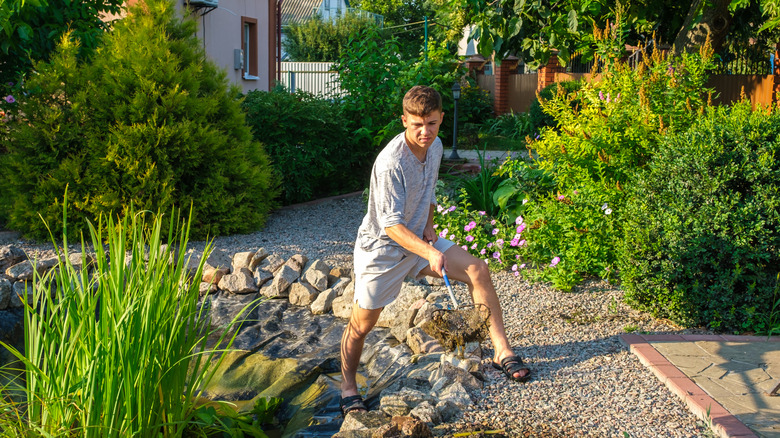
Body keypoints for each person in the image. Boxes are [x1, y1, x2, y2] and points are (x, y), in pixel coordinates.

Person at [339, 85, 530, 416]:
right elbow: (391, 226)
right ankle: (347, 387)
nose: (425, 132)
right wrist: (428, 252)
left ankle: (501, 351)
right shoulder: (390, 163)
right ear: (404, 121)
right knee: (361, 326)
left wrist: (429, 226)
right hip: (381, 251)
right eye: (416, 124)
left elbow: (428, 192)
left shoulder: (437, 146)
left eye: (431, 123)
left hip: (417, 238)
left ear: (441, 118)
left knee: (477, 269)